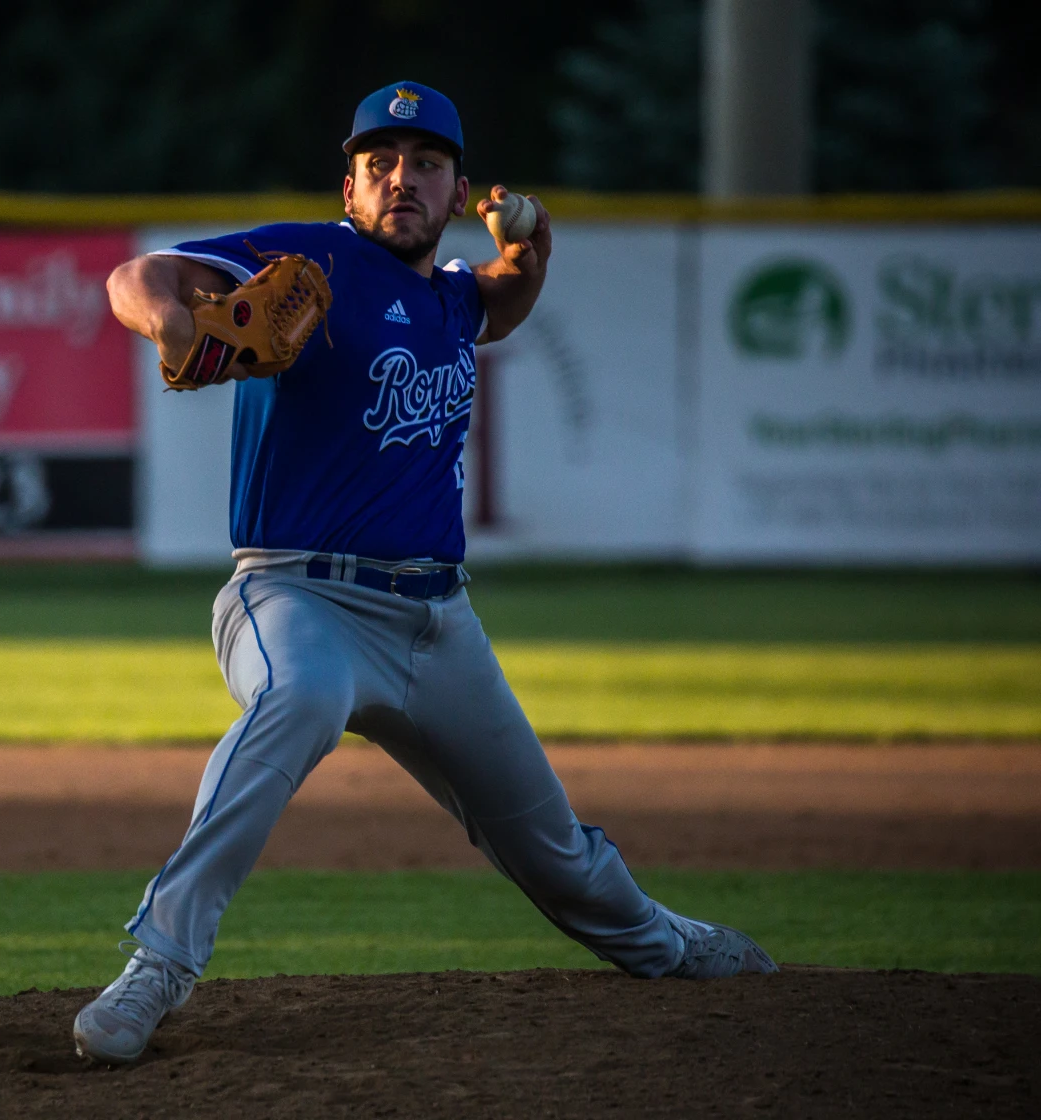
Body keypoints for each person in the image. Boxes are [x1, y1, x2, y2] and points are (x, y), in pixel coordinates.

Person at [73, 80, 777, 1065]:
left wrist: (531, 245)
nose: (401, 179)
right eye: (380, 165)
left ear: (455, 191)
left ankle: (665, 943)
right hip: (297, 593)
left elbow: (506, 299)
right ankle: (158, 963)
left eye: (426, 164)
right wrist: (172, 322)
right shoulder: (311, 256)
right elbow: (138, 272)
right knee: (298, 702)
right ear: (350, 187)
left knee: (555, 851)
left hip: (438, 623)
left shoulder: (450, 295)